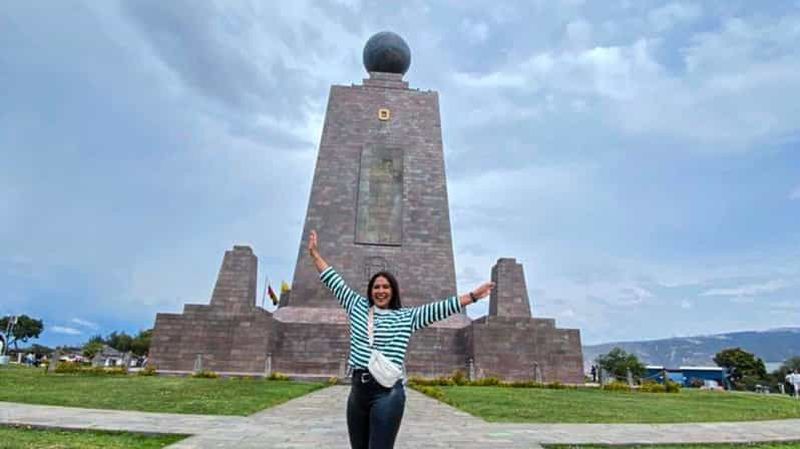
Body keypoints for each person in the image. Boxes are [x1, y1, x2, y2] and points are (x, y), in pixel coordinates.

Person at [307, 229, 494, 449]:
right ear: (370, 291)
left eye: (386, 287)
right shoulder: (357, 307)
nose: (381, 291)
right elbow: (334, 281)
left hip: (387, 394)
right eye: (376, 287)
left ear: (393, 291)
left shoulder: (407, 317)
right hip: (357, 393)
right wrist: (314, 255)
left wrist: (472, 296)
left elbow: (440, 309)